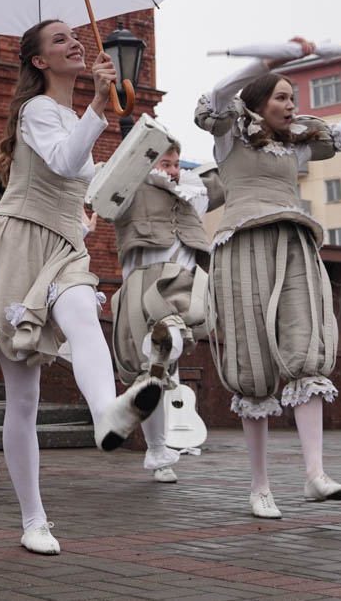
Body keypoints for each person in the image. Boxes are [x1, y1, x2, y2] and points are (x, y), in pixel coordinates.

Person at [0, 20, 164, 556]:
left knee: (84, 312)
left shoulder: (70, 113)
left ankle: (107, 411)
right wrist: (100, 107)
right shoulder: (36, 110)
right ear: (39, 61)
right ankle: (33, 518)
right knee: (23, 399)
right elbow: (63, 161)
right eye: (60, 39)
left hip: (65, 246)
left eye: (74, 36)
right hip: (19, 245)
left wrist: (135, 158)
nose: (74, 42)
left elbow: (85, 178)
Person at [195, 35, 341, 519]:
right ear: (261, 102)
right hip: (243, 246)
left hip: (294, 245)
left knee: (307, 349)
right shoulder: (230, 137)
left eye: (294, 98)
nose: (292, 105)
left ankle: (314, 474)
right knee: (253, 364)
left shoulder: (296, 148)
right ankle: (260, 485)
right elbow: (221, 95)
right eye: (283, 96)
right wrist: (269, 59)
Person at [108, 133, 221, 484]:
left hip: (184, 284)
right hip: (144, 284)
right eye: (163, 163)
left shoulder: (193, 194)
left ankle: (159, 350)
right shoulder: (129, 190)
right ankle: (157, 450)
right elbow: (101, 189)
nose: (171, 171)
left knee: (166, 349)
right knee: (153, 375)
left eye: (175, 164)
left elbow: (226, 172)